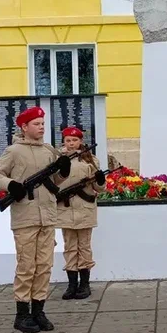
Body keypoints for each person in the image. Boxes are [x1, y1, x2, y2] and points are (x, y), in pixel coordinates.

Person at [0, 106, 70, 333]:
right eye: (36, 124)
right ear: (24, 127)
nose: (41, 127)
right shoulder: (14, 151)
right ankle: (22, 314)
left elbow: (55, 182)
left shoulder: (48, 151)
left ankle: (38, 311)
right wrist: (10, 184)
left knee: (44, 266)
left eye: (43, 124)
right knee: (26, 266)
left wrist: (63, 171)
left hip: (48, 217)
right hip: (26, 217)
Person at [56, 127, 106, 300]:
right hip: (65, 209)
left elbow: (99, 188)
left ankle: (85, 284)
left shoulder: (90, 160)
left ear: (80, 141)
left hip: (85, 209)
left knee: (84, 247)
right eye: (68, 140)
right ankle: (72, 284)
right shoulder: (58, 159)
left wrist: (100, 180)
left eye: (74, 140)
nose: (71, 144)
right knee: (70, 247)